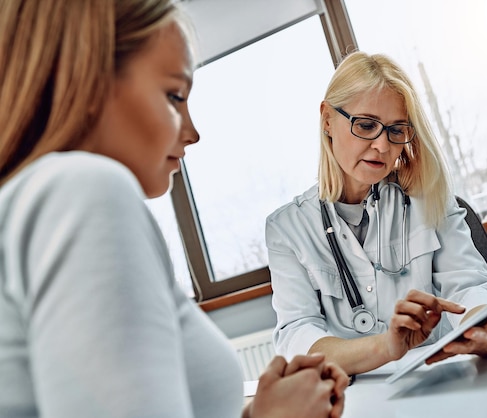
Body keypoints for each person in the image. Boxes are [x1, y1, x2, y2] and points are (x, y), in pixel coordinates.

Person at [0, 1, 348, 418]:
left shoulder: (35, 204)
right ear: (84, 80)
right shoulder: (82, 190)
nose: (193, 133)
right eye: (174, 96)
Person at [266, 51, 487, 377]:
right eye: (365, 125)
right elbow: (298, 335)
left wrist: (485, 322)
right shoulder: (287, 228)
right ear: (327, 120)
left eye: (395, 130)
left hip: (444, 379)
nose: (382, 145)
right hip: (357, 398)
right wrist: (386, 347)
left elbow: (468, 285)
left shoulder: (427, 197)